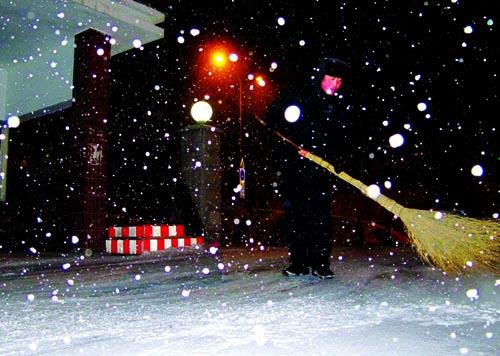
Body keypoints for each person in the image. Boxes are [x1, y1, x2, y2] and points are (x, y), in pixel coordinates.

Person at [267, 57, 350, 279]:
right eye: (331, 78)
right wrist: (296, 142)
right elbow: (277, 117)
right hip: (295, 171)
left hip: (321, 174)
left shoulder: (337, 107)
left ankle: (320, 263)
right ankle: (299, 262)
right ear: (321, 77)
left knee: (320, 219)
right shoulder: (301, 96)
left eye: (339, 80)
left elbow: (342, 138)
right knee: (297, 217)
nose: (335, 84)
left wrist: (337, 159)